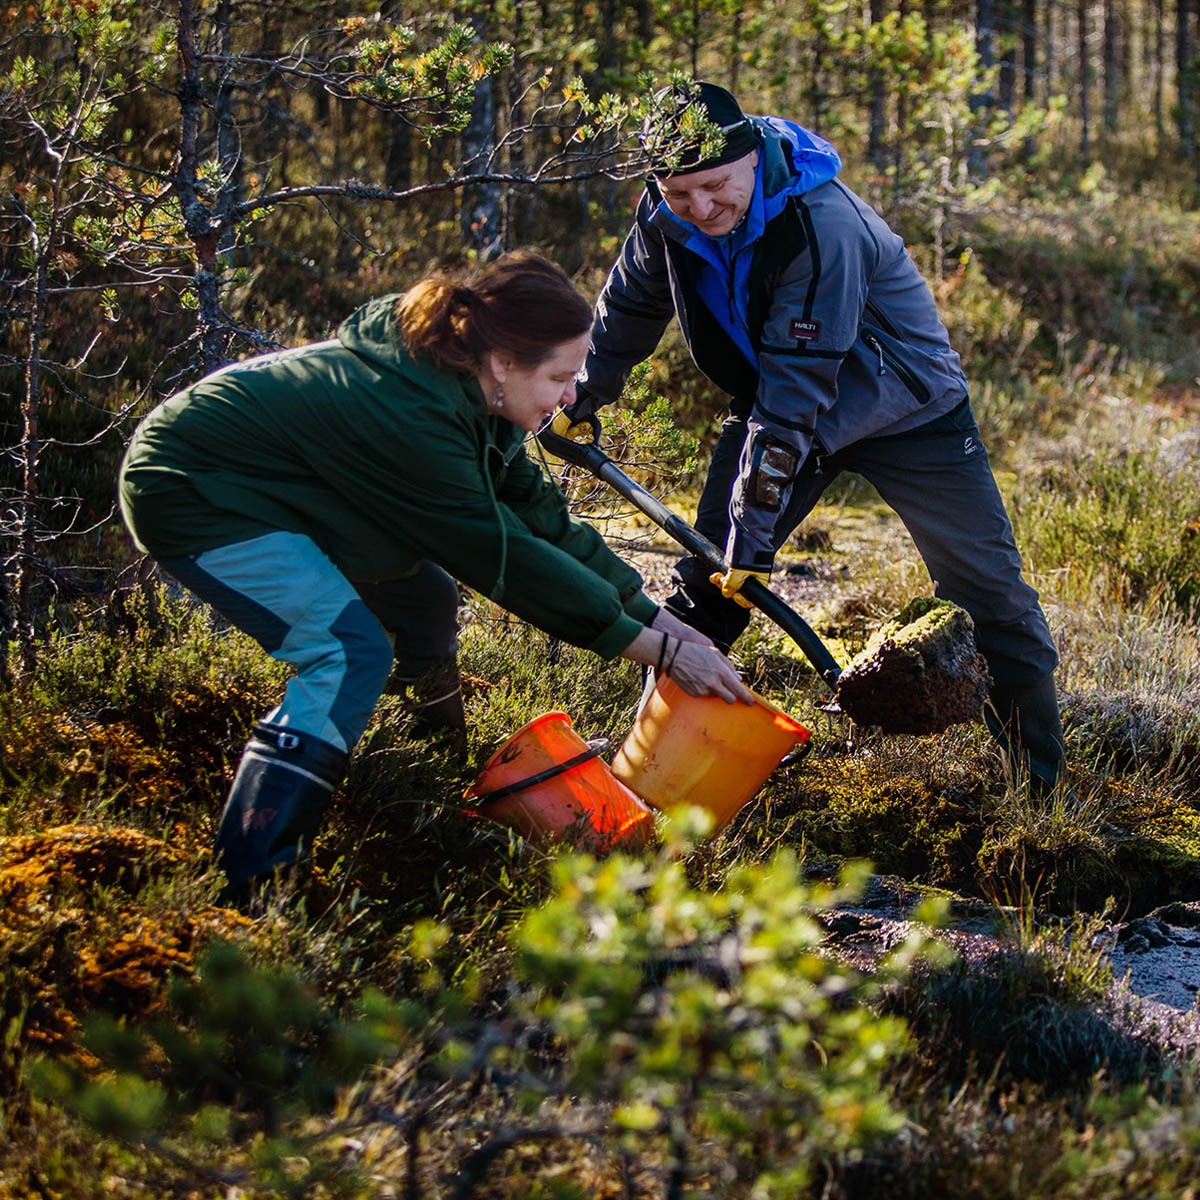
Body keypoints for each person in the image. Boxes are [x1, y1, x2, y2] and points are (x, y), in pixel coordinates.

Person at [119, 250, 752, 901]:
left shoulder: (478, 396)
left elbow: (545, 523)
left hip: (287, 490)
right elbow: (504, 557)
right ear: (504, 362)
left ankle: (426, 791)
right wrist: (659, 652)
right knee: (345, 651)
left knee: (422, 597)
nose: (571, 396)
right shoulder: (413, 416)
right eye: (561, 377)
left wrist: (661, 619)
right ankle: (252, 877)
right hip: (195, 490)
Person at [556, 82, 1068, 791]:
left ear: (752, 162)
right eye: (679, 195)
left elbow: (798, 396)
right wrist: (582, 394)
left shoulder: (819, 224)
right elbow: (629, 309)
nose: (700, 211)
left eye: (714, 187)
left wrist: (754, 538)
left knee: (989, 593)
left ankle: (1038, 783)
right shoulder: (666, 212)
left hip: (907, 408)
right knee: (709, 580)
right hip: (776, 403)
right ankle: (652, 769)